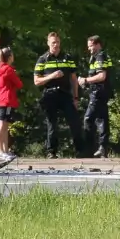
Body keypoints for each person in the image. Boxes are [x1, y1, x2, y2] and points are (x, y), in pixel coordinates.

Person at [33, 31, 85, 159]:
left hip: (65, 93)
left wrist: (76, 97)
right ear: (48, 43)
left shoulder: (67, 58)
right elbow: (36, 81)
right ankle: (52, 151)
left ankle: (80, 150)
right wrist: (52, 76)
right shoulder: (43, 59)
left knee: (74, 121)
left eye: (57, 42)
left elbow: (73, 79)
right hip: (50, 94)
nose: (55, 45)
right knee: (52, 123)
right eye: (53, 43)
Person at [78, 35, 114, 158]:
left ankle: (89, 150)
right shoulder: (98, 56)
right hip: (101, 92)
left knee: (88, 119)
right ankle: (103, 148)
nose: (89, 49)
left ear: (98, 44)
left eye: (91, 46)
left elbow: (101, 76)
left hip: (98, 92)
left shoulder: (100, 56)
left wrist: (85, 80)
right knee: (102, 118)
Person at [0, 47, 22, 160]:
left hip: (1, 99)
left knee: (5, 126)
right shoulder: (8, 70)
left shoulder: (0, 68)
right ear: (9, 57)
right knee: (2, 125)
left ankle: (5, 150)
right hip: (6, 100)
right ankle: (0, 151)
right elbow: (19, 84)